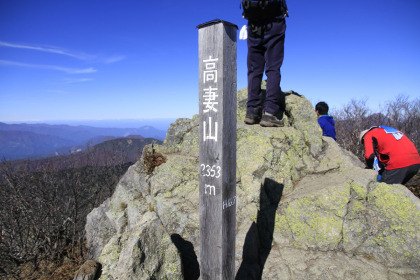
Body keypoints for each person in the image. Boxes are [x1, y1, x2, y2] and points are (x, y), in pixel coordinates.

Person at [242, 0, 289, 127]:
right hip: (275, 21)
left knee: (254, 69)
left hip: (253, 24)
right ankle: (269, 112)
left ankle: (252, 111)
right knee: (273, 67)